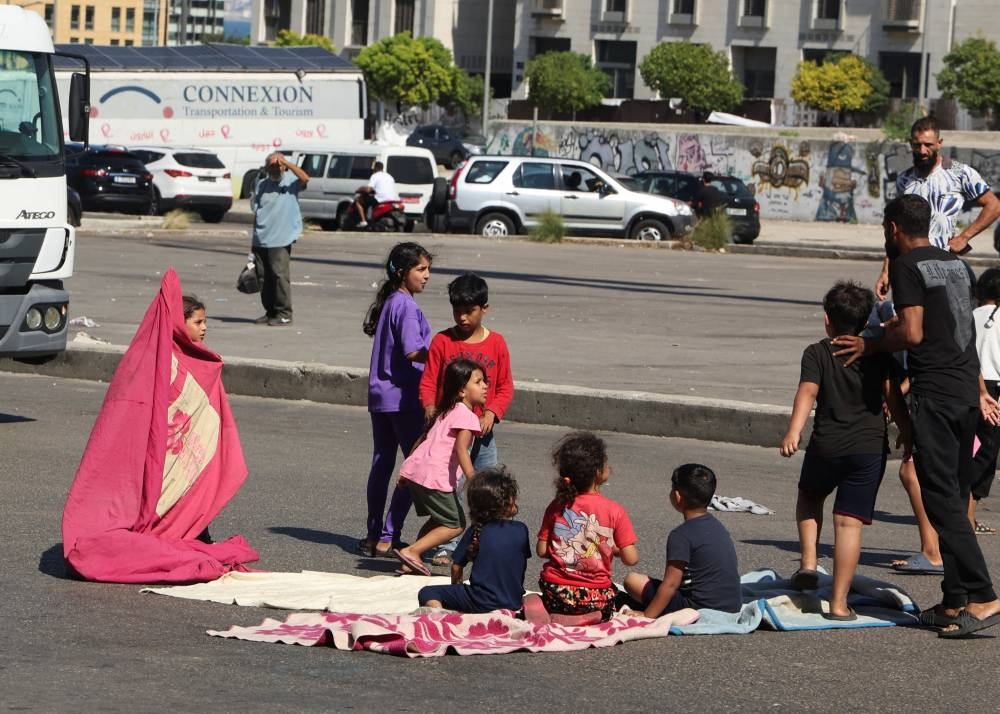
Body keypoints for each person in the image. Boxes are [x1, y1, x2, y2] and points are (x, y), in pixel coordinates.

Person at [833, 194, 1000, 638]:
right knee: (956, 492)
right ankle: (954, 599)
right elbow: (947, 326)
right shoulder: (957, 265)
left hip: (938, 395)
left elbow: (914, 333)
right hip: (967, 391)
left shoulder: (908, 266)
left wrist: (871, 344)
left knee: (941, 500)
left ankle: (983, 595)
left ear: (892, 229)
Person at [779, 281, 911, 620]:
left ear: (827, 320)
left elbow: (807, 393)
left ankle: (809, 563)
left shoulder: (817, 352)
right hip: (868, 449)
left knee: (809, 496)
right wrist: (908, 434)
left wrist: (794, 431)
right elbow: (894, 397)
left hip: (827, 444)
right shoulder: (879, 354)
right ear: (866, 321)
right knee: (849, 524)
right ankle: (838, 604)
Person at [419, 272, 515, 566]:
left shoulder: (496, 343)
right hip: (449, 437)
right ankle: (445, 546)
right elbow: (428, 383)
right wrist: (430, 409)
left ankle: (489, 543)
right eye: (456, 310)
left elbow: (505, 387)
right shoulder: (442, 342)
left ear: (484, 308)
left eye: (469, 311)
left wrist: (492, 412)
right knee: (450, 492)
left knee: (489, 489)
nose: (462, 317)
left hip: (481, 436)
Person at [358, 242, 433, 559]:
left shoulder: (391, 300)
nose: (427, 276)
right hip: (403, 397)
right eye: (421, 269)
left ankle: (374, 534)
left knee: (382, 463)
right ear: (402, 272)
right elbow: (412, 350)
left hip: (380, 395)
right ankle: (389, 535)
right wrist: (444, 354)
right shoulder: (407, 307)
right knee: (415, 466)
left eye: (428, 269)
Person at [875, 116, 1000, 300]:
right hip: (909, 268)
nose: (923, 150)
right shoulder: (904, 180)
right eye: (917, 145)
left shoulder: (959, 173)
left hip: (943, 268)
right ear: (911, 144)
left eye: (928, 144)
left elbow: (994, 205)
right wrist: (886, 270)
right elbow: (896, 230)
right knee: (909, 323)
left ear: (939, 143)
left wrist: (964, 237)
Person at [393, 359, 486, 576]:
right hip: (435, 476)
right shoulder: (467, 416)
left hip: (418, 472)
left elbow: (423, 439)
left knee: (439, 518)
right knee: (456, 523)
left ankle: (410, 559)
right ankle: (412, 552)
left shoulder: (447, 411)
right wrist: (474, 480)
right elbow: (462, 450)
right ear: (462, 390)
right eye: (478, 382)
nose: (484, 386)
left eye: (485, 381)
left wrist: (406, 471)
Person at [536, 431, 639, 621]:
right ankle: (592, 616)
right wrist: (611, 549)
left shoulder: (557, 505)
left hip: (556, 593)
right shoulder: (614, 510)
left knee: (541, 596)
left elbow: (542, 550)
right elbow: (631, 559)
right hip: (595, 596)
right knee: (615, 596)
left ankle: (552, 611)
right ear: (598, 472)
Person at [622, 464, 741, 618]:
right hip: (731, 605)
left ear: (677, 496)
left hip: (697, 608)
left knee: (632, 580)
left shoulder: (680, 535)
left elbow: (670, 584)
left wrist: (647, 616)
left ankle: (654, 610)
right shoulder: (718, 526)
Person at [418, 465, 530, 612]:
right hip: (513, 602)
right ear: (505, 503)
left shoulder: (477, 530)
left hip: (480, 602)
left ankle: (438, 615)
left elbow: (456, 567)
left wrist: (457, 594)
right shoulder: (521, 529)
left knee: (427, 592)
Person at [250, 151, 309, 326]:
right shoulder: (261, 184)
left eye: (278, 165)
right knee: (263, 277)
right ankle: (270, 311)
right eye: (272, 165)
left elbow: (306, 178)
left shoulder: (290, 182)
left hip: (282, 238)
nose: (275, 168)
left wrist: (287, 163)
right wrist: (253, 240)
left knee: (279, 277)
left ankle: (284, 313)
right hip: (261, 238)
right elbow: (257, 211)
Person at [970, 268, 1000, 535]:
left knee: (972, 449)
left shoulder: (970, 315)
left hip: (971, 385)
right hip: (994, 390)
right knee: (986, 455)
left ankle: (967, 513)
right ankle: (968, 515)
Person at [353, 160, 399, 228]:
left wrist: (359, 189)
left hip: (381, 199)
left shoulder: (375, 176)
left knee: (358, 200)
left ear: (376, 168)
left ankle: (363, 221)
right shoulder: (389, 176)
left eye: (374, 168)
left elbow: (368, 189)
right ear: (382, 168)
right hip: (392, 199)